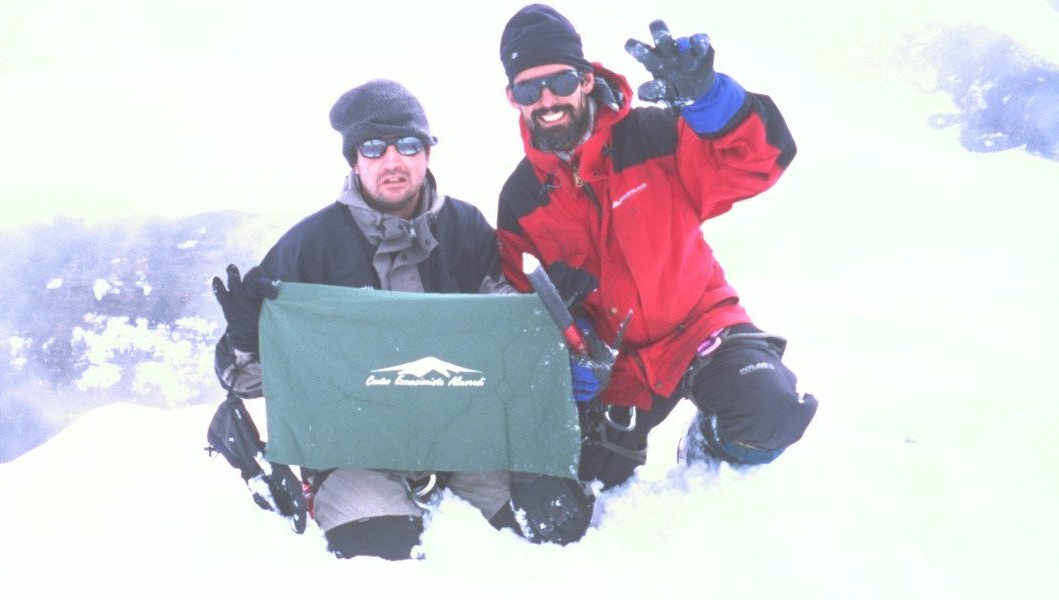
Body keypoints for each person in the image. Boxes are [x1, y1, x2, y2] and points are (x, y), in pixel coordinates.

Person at [208, 79, 603, 560]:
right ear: (355, 160)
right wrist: (249, 338)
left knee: (556, 522)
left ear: (427, 154)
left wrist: (543, 319)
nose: (393, 160)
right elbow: (247, 381)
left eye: (408, 145)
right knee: (379, 549)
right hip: (356, 448)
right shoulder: (308, 247)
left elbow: (501, 330)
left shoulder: (465, 227)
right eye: (373, 148)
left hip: (467, 438)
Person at [492, 4, 819, 490]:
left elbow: (759, 163)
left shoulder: (656, 135)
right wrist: (569, 346)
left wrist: (711, 100)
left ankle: (708, 441)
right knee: (582, 482)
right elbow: (525, 301)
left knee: (771, 414)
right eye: (527, 88)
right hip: (615, 365)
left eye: (560, 81)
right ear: (512, 98)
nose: (546, 99)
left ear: (584, 80)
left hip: (698, 325)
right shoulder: (520, 200)